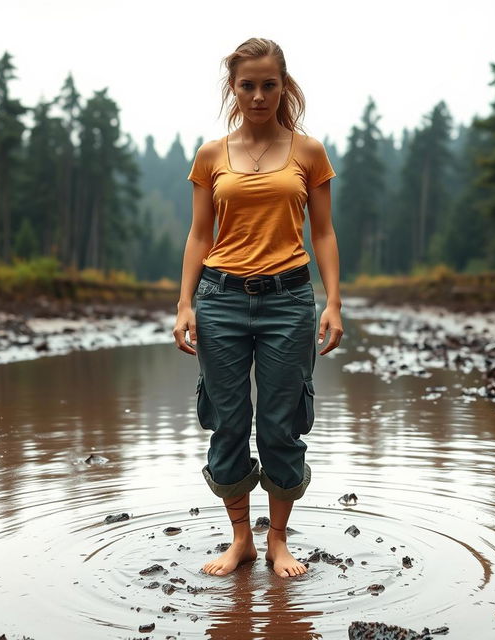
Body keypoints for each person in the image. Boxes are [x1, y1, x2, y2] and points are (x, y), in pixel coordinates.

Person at [173, 37, 343, 578]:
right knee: (226, 421)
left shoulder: (308, 152)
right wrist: (184, 304)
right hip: (219, 300)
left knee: (281, 425)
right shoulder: (211, 155)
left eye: (269, 84)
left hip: (289, 300)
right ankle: (241, 540)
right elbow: (200, 236)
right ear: (234, 88)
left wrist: (333, 301)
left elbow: (323, 233)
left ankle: (279, 542)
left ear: (283, 86)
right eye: (247, 85)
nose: (259, 95)